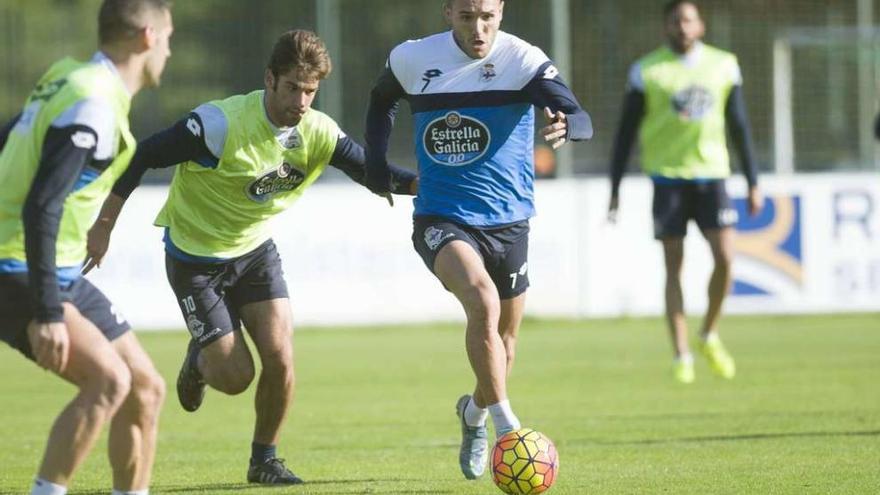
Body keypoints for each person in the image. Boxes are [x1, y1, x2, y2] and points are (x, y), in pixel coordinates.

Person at [84, 29, 417, 485]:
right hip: (195, 259)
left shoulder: (316, 131)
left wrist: (425, 185)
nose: (302, 101)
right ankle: (201, 361)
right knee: (237, 376)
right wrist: (103, 228)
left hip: (255, 253)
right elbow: (143, 155)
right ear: (269, 79)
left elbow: (372, 172)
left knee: (281, 358)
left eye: (311, 90)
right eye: (293, 88)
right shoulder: (219, 126)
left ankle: (265, 461)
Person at [363, 0, 592, 481]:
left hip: (510, 223)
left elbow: (577, 112)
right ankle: (511, 432)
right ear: (448, 13)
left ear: (501, 12)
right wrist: (377, 168)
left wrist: (569, 125)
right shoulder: (411, 58)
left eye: (487, 15)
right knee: (482, 303)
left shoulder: (523, 60)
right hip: (441, 218)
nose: (478, 27)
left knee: (506, 344)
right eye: (467, 16)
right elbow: (381, 100)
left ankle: (474, 414)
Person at [0, 1, 173, 494]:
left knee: (145, 388)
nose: (168, 49)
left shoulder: (69, 77)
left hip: (56, 268)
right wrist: (48, 312)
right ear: (145, 36)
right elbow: (42, 204)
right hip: (16, 263)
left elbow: (10, 139)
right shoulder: (93, 103)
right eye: (167, 37)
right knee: (109, 382)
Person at [608, 0, 763, 384]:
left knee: (725, 258)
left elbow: (739, 126)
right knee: (673, 265)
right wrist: (615, 188)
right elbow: (625, 133)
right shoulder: (647, 70)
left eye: (689, 19)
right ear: (666, 27)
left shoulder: (724, 65)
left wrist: (754, 181)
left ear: (701, 26)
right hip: (668, 179)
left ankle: (708, 333)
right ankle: (681, 353)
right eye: (675, 20)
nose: (682, 26)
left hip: (713, 176)